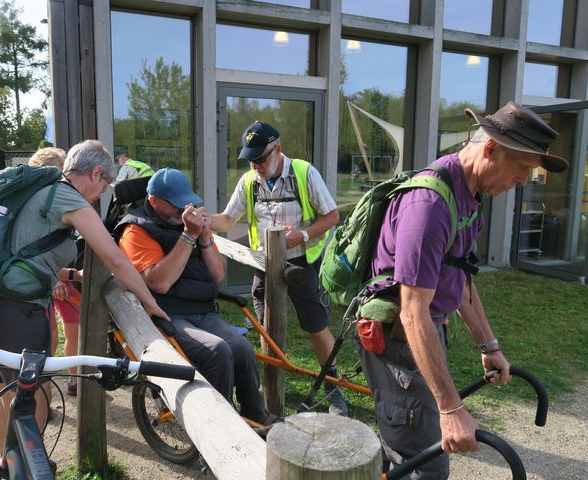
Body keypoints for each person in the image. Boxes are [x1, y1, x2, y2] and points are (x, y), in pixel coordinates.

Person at [357, 101, 568, 478]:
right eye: (522, 168)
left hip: (421, 333)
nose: (524, 182)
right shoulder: (430, 205)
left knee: (407, 453)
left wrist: (489, 346)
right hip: (396, 336)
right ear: (490, 149)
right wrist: (451, 409)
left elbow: (461, 275)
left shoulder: (469, 193)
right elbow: (412, 311)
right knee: (426, 464)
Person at [0, 140, 168, 455]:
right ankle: (28, 470)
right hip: (15, 312)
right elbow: (115, 259)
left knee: (9, 402)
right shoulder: (68, 198)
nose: (103, 192)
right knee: (36, 404)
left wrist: (73, 276)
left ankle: (3, 467)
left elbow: (26, 255)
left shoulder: (40, 190)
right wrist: (149, 301)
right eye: (104, 184)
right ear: (96, 172)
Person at [115, 168, 275, 425]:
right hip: (166, 313)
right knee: (218, 351)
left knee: (242, 348)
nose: (184, 209)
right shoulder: (135, 231)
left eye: (186, 202)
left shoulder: (189, 222)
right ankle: (220, 428)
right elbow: (160, 282)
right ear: (154, 201)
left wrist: (203, 239)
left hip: (203, 310)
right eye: (176, 205)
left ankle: (255, 415)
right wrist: (188, 235)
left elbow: (217, 275)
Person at [210, 121, 347, 416]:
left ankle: (333, 389)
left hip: (302, 263)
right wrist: (201, 219)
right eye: (251, 159)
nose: (255, 164)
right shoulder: (249, 181)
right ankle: (269, 383)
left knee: (316, 326)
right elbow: (226, 220)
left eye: (260, 158)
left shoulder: (304, 172)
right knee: (266, 326)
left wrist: (303, 234)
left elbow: (332, 215)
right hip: (265, 265)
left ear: (278, 150)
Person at [28, 147, 82, 396]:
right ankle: (44, 396)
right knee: (50, 338)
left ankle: (61, 386)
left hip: (57, 277)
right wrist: (54, 280)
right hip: (49, 282)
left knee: (65, 333)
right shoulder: (42, 203)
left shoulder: (46, 200)